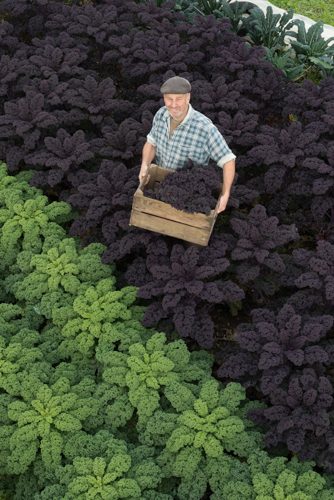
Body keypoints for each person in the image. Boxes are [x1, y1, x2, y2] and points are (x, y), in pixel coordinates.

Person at [139, 76, 236, 213]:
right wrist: (145, 165)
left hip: (189, 195)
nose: (173, 104)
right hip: (161, 186)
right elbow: (151, 143)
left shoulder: (204, 128)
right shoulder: (161, 115)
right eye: (169, 99)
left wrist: (225, 194)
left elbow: (228, 160)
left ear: (188, 98)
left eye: (178, 99)